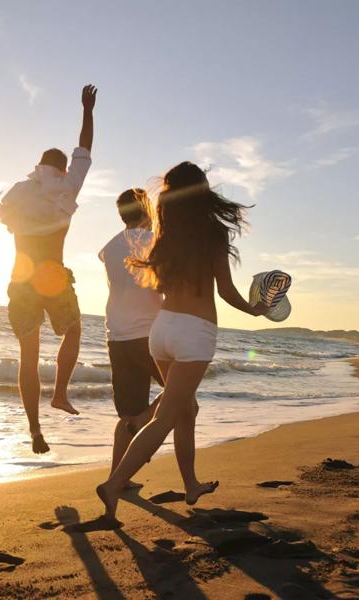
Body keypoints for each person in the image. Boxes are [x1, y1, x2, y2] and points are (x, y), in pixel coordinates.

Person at [96, 162, 269, 522]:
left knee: (185, 410)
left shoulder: (163, 232)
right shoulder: (214, 232)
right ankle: (114, 484)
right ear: (202, 190)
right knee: (165, 417)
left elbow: (158, 285)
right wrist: (255, 311)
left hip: (162, 330)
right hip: (195, 332)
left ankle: (190, 485)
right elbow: (225, 290)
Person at [0, 84, 97, 454]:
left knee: (28, 356)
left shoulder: (19, 193)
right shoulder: (67, 188)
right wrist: (87, 110)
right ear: (63, 168)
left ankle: (35, 430)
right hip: (52, 276)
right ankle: (60, 393)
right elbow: (85, 149)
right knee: (73, 331)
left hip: (21, 278)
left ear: (38, 165)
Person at [98, 189, 163, 488]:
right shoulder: (151, 242)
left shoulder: (109, 247)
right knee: (181, 393)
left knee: (127, 414)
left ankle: (117, 477)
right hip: (147, 335)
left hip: (117, 336)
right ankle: (143, 422)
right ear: (146, 210)